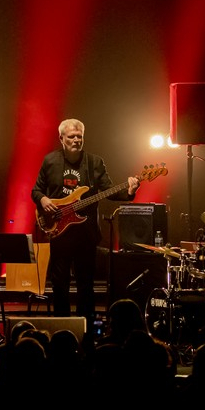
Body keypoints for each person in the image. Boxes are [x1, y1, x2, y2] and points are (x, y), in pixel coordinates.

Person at [32, 118, 138, 321]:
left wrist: (129, 192)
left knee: (85, 283)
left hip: (85, 234)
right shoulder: (50, 161)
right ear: (61, 138)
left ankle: (85, 327)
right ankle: (62, 325)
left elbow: (108, 191)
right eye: (71, 136)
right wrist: (43, 199)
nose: (76, 140)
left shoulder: (94, 162)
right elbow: (36, 190)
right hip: (59, 230)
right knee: (59, 282)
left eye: (79, 136)